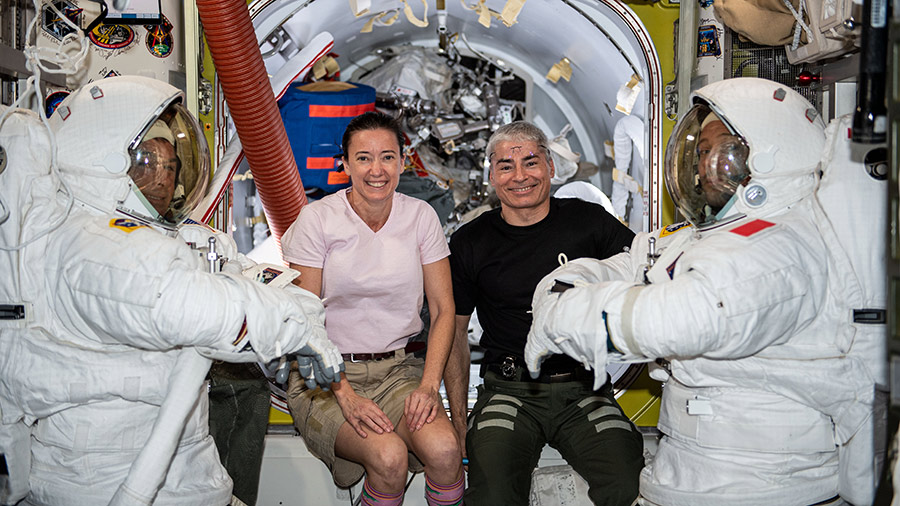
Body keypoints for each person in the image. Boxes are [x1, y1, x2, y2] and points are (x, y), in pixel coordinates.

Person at [525, 77, 883, 505]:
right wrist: (563, 289)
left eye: (720, 151)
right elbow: (628, 264)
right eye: (701, 153)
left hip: (761, 487)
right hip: (688, 477)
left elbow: (686, 317)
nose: (702, 167)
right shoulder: (705, 236)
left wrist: (560, 316)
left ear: (768, 156)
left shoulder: (782, 247)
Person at [0, 75, 343, 506]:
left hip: (182, 472)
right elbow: (184, 304)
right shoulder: (90, 247)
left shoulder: (164, 238)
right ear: (108, 161)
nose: (162, 179)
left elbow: (254, 279)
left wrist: (305, 316)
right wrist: (292, 329)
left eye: (170, 166)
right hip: (106, 475)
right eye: (147, 164)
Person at [446, 121, 645, 505]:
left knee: (628, 481)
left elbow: (641, 273)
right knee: (494, 492)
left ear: (551, 168)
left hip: (583, 390)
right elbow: (453, 332)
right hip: (509, 389)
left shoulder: (589, 222)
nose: (520, 176)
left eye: (531, 162)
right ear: (492, 176)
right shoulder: (472, 241)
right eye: (506, 166)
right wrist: (458, 418)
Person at [282, 111, 464, 506]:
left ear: (402, 161)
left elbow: (443, 309)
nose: (376, 169)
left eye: (387, 156)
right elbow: (304, 319)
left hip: (399, 371)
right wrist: (345, 395)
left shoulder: (421, 217)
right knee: (389, 456)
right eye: (363, 158)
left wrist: (430, 386)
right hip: (326, 379)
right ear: (345, 164)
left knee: (447, 453)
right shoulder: (318, 220)